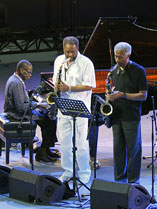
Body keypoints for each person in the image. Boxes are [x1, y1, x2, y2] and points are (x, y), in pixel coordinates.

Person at [54, 36, 96, 184]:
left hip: (80, 109)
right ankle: (68, 171)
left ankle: (84, 173)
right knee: (64, 142)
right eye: (67, 52)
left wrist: (69, 88)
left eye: (72, 52)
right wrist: (57, 88)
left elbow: (90, 85)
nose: (70, 55)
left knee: (81, 143)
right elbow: (55, 81)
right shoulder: (59, 61)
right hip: (63, 107)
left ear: (78, 48)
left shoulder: (86, 63)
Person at [106, 42, 148, 184]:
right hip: (117, 115)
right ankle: (119, 180)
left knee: (133, 150)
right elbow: (114, 91)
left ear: (128, 55)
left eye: (121, 57)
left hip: (131, 115)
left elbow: (143, 95)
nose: (117, 60)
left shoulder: (139, 70)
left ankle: (133, 181)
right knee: (118, 150)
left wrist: (122, 95)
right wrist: (110, 96)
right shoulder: (114, 70)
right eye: (116, 57)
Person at [4, 60, 58, 162]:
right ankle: (42, 152)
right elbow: (21, 107)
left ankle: (46, 149)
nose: (30, 75)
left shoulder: (15, 79)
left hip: (18, 111)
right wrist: (38, 104)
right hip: (17, 114)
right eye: (28, 72)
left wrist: (36, 104)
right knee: (49, 121)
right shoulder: (15, 83)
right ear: (22, 70)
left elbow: (23, 102)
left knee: (46, 116)